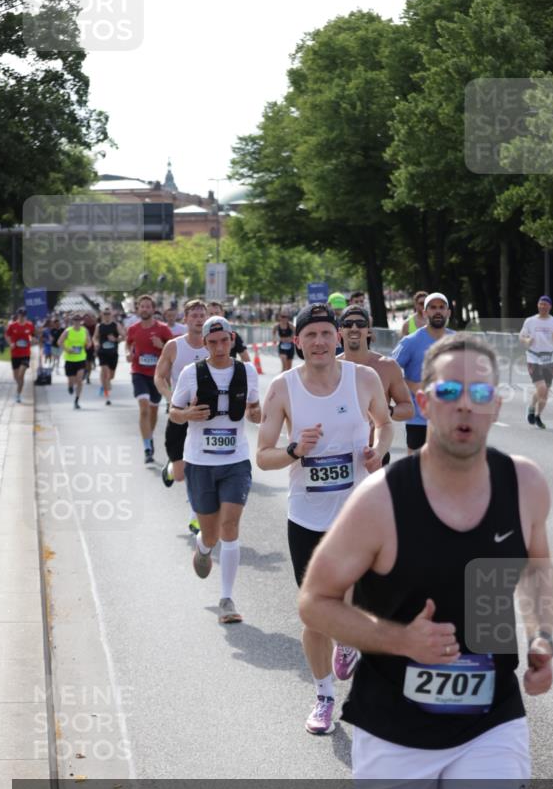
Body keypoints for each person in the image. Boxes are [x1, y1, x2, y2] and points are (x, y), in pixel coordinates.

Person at [299, 333, 553, 789]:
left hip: (490, 715)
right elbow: (314, 601)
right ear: (422, 400)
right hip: (395, 721)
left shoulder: (524, 484)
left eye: (479, 393)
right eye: (448, 391)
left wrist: (541, 636)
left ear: (496, 404)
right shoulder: (381, 500)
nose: (464, 405)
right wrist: (400, 641)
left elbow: (538, 564)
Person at [256, 303, 393, 736]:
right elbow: (263, 457)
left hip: (358, 513)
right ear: (297, 341)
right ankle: (323, 697)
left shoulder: (364, 379)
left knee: (355, 599)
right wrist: (295, 450)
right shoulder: (282, 389)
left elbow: (385, 424)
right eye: (309, 335)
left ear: (338, 338)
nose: (318, 341)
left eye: (325, 333)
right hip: (307, 518)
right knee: (315, 617)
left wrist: (378, 450)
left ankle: (350, 640)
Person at [170, 315, 261, 624]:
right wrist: (187, 414)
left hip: (236, 461)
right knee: (211, 534)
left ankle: (227, 599)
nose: (220, 348)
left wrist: (259, 413)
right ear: (204, 344)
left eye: (225, 341)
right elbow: (174, 412)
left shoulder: (247, 372)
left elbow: (255, 411)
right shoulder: (190, 373)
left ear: (232, 339)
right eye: (213, 343)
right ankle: (203, 547)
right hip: (200, 462)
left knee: (230, 526)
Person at [154, 298, 209, 535]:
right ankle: (169, 469)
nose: (198, 319)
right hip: (180, 413)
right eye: (194, 315)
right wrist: (170, 398)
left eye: (202, 315)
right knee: (179, 474)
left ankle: (196, 516)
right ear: (185, 320)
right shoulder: (174, 346)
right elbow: (159, 376)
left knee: (199, 469)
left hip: (206, 416)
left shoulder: (215, 345)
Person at [338, 303, 414, 465]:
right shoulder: (331, 368)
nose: (354, 328)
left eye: (360, 324)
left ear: (368, 331)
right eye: (347, 324)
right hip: (339, 454)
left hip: (376, 452)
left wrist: (387, 410)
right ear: (340, 331)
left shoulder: (387, 366)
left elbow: (408, 409)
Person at [393, 292, 453, 453]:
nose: (438, 311)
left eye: (442, 307)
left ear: (448, 312)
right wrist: (410, 384)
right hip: (418, 418)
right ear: (425, 312)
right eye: (433, 307)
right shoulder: (410, 342)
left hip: (449, 417)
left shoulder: (458, 341)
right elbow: (389, 371)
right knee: (416, 469)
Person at [125, 294, 174, 463]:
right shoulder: (133, 329)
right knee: (144, 408)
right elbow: (128, 343)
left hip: (156, 375)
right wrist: (127, 353)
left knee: (153, 410)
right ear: (138, 309)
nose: (144, 309)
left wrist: (161, 346)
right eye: (142, 306)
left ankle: (149, 437)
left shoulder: (163, 329)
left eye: (148, 306)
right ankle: (147, 447)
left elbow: (173, 348)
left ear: (153, 309)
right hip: (138, 372)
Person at [519, 296, 553, 429]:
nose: (543, 307)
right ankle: (532, 408)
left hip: (549, 359)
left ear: (550, 307)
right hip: (533, 358)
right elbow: (521, 336)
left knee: (545, 391)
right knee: (541, 388)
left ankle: (537, 415)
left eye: (545, 304)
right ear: (538, 305)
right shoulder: (530, 321)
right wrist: (526, 341)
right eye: (541, 304)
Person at [57, 314, 92, 409]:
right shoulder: (68, 331)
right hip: (69, 359)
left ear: (81, 321)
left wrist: (88, 344)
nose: (77, 322)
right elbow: (59, 342)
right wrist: (67, 349)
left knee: (79, 380)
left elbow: (89, 341)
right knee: (71, 381)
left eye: (78, 320)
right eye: (75, 320)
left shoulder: (84, 331)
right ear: (72, 321)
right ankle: (70, 386)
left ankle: (76, 400)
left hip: (81, 359)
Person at [93, 307, 122, 405]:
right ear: (102, 315)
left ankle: (104, 385)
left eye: (108, 313)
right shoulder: (99, 326)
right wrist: (96, 343)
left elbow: (124, 336)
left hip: (113, 353)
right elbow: (95, 337)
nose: (106, 315)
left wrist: (115, 339)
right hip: (102, 352)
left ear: (111, 315)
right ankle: (107, 396)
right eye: (105, 314)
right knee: (105, 372)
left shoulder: (116, 325)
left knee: (111, 376)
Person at [6, 307, 35, 402]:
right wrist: (10, 343)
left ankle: (18, 395)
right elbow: (7, 335)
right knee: (16, 377)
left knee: (21, 374)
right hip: (15, 354)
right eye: (20, 315)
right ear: (17, 315)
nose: (21, 317)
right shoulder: (12, 325)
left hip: (25, 354)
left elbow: (33, 335)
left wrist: (33, 339)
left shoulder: (30, 325)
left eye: (23, 315)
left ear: (25, 316)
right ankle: (19, 390)